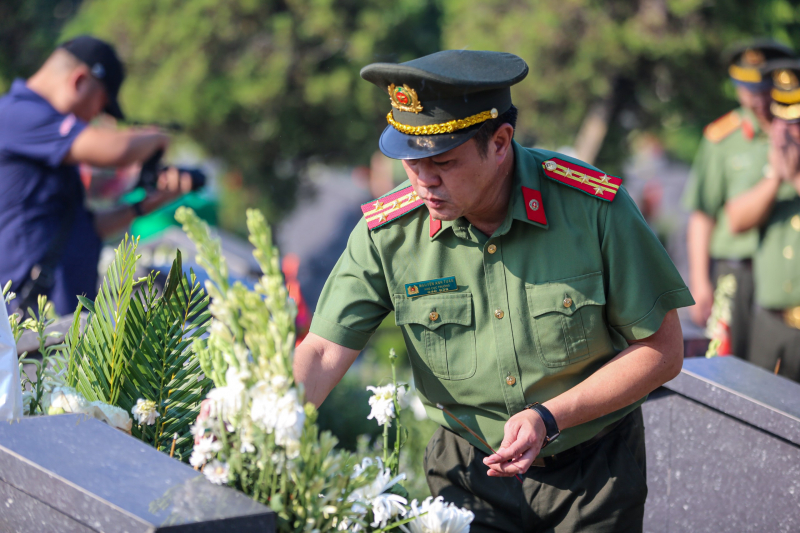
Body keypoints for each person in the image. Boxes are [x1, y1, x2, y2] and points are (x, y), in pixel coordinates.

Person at [293, 50, 694, 532]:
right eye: (409, 162)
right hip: (468, 478)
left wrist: (550, 417)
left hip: (593, 475)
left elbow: (664, 350)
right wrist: (262, 425)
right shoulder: (389, 234)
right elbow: (320, 353)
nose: (423, 180)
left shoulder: (592, 210)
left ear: (500, 141)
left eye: (442, 161)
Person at [0, 35, 190, 316]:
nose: (97, 118)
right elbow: (116, 150)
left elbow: (85, 228)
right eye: (100, 106)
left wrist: (142, 205)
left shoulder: (52, 146)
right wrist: (157, 138)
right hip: (26, 331)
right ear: (79, 82)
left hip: (60, 331)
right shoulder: (17, 114)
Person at [683, 40, 795, 358]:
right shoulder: (723, 138)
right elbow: (703, 214)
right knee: (722, 360)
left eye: (763, 90)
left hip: (782, 277)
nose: (755, 99)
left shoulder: (793, 130)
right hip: (735, 273)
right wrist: (700, 282)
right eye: (747, 89)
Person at [726, 60, 800, 382]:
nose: (785, 132)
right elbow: (736, 220)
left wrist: (795, 176)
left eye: (795, 121)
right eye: (779, 120)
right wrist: (775, 179)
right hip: (770, 322)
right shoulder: (771, 159)